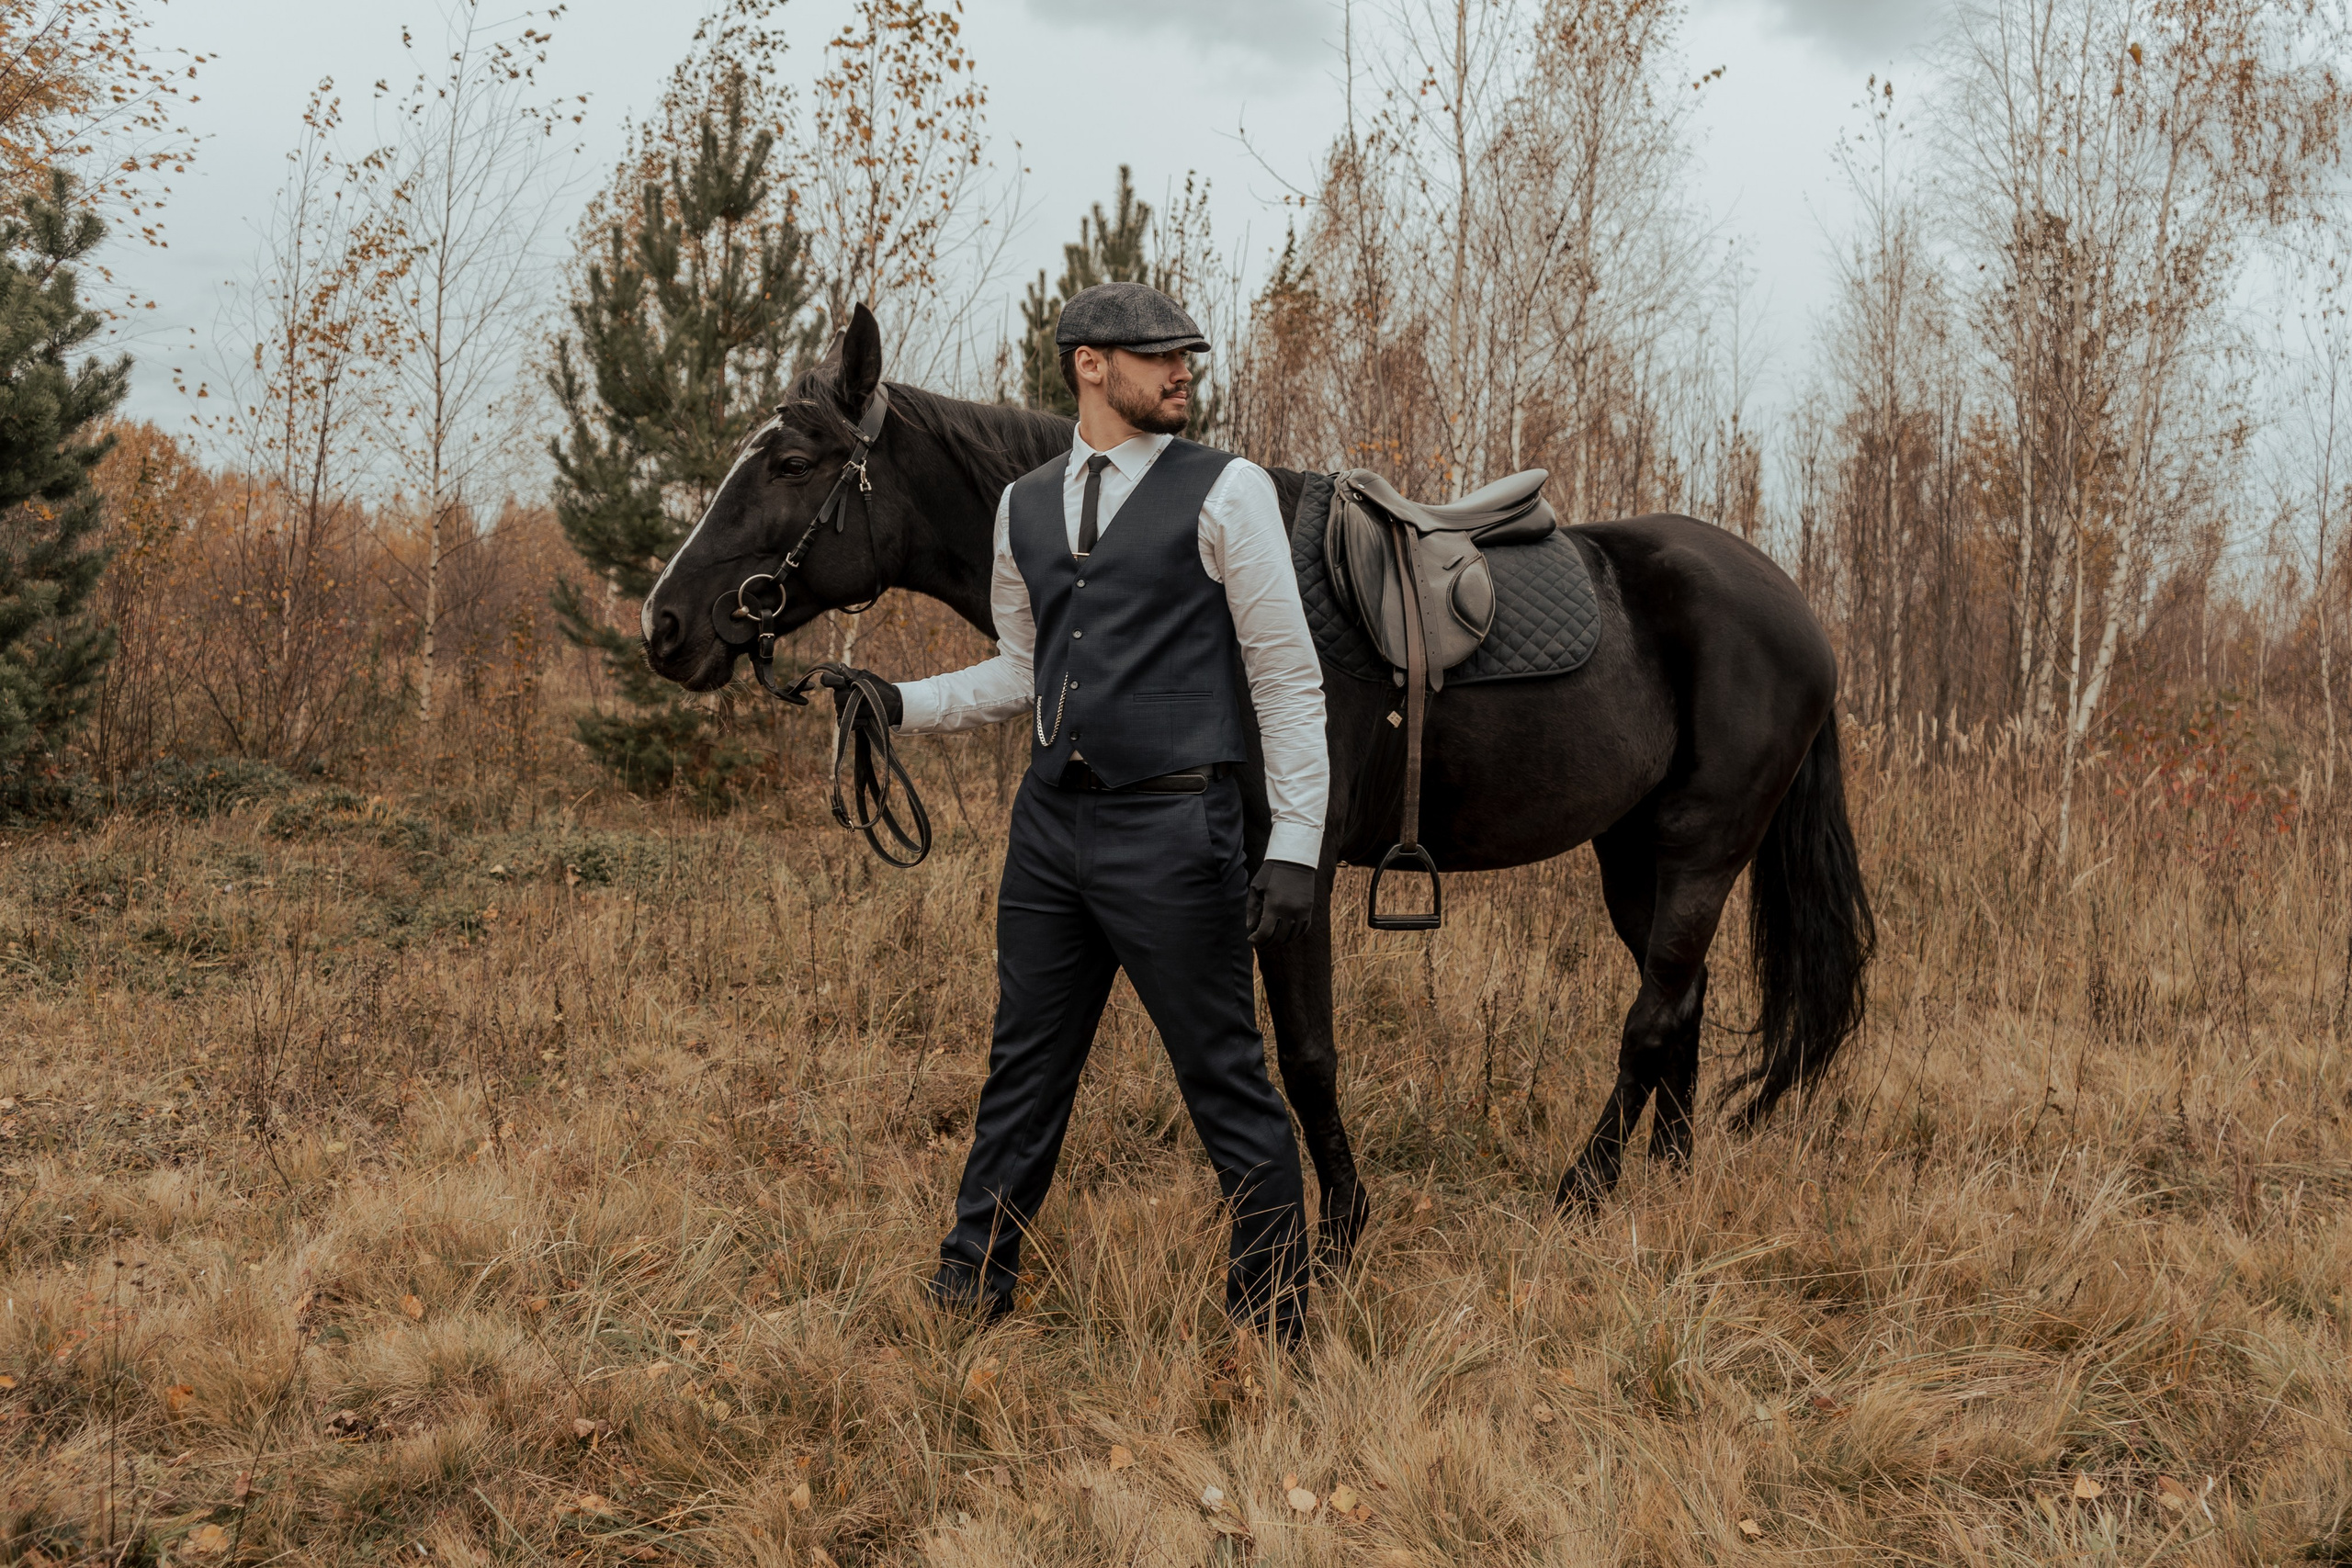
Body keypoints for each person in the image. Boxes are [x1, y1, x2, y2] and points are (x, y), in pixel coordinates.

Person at [821, 282, 1329, 1344]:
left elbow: (1286, 678)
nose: (1182, 371)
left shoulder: (1227, 491)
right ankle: (971, 1288)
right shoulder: (1024, 504)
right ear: (1089, 364)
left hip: (1177, 832)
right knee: (1024, 1067)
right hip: (1050, 833)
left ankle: (1274, 1316)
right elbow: (1021, 670)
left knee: (1225, 1080)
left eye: (1187, 354)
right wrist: (899, 705)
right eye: (1157, 357)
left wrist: (1295, 843)